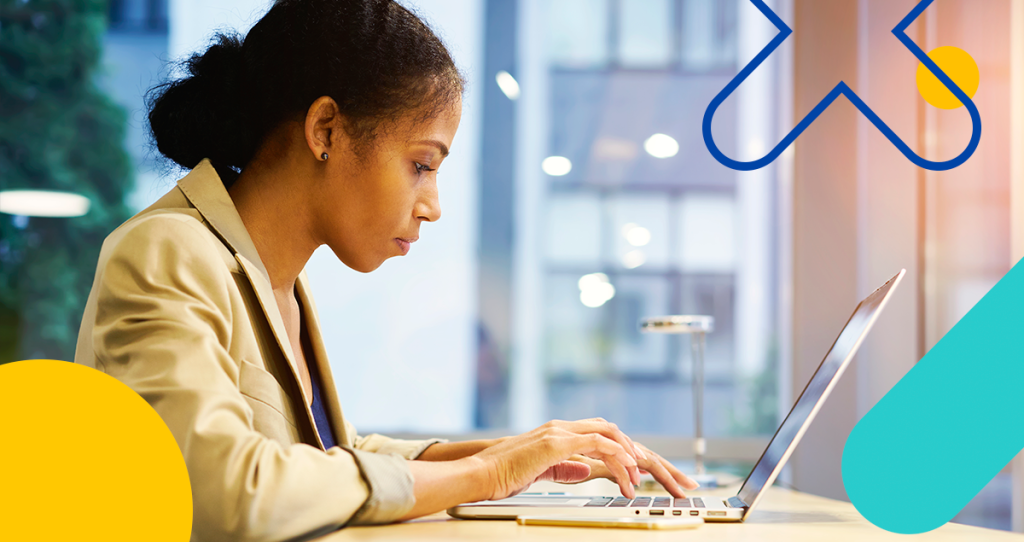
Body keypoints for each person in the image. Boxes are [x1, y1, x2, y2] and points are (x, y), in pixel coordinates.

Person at [74, 0, 699, 540]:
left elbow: (323, 460)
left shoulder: (281, 279)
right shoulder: (169, 249)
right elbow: (228, 491)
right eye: (422, 165)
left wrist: (519, 452)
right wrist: (488, 474)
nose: (432, 206)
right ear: (326, 129)